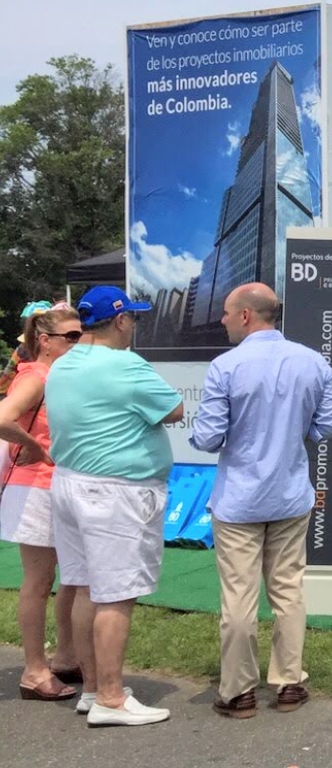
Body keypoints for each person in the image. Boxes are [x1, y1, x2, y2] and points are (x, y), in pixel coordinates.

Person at [189, 283, 332, 719]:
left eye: (225, 313)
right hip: (290, 495)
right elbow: (330, 425)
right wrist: (295, 434)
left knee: (238, 597)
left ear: (245, 316)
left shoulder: (225, 366)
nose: (221, 320)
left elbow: (208, 437)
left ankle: (238, 691)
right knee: (288, 590)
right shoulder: (313, 361)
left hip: (239, 499)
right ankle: (289, 682)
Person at [44, 286, 183, 727]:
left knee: (86, 588)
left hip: (71, 483)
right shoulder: (125, 364)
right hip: (116, 491)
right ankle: (110, 697)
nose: (134, 326)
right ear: (120, 321)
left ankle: (93, 690)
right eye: (133, 318)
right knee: (117, 596)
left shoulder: (63, 364)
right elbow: (174, 410)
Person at [0, 302, 85, 701]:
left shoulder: (61, 375)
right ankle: (34, 670)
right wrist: (34, 446)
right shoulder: (35, 375)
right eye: (72, 336)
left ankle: (65, 656)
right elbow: (3, 417)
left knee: (72, 576)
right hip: (34, 487)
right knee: (38, 581)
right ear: (46, 341)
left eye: (81, 334)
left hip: (56, 485)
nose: (79, 342)